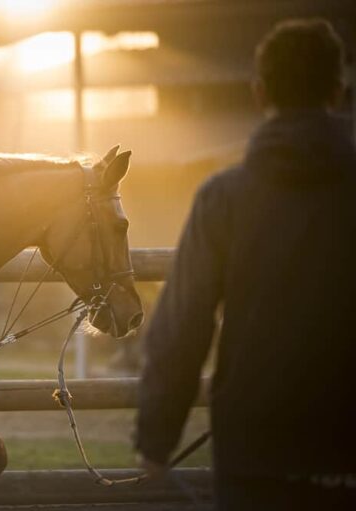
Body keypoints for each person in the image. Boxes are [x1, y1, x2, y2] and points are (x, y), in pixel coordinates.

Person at [134, 18, 356, 510]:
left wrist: (156, 438)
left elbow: (181, 325)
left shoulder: (223, 199)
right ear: (339, 93)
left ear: (259, 93)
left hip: (254, 454)